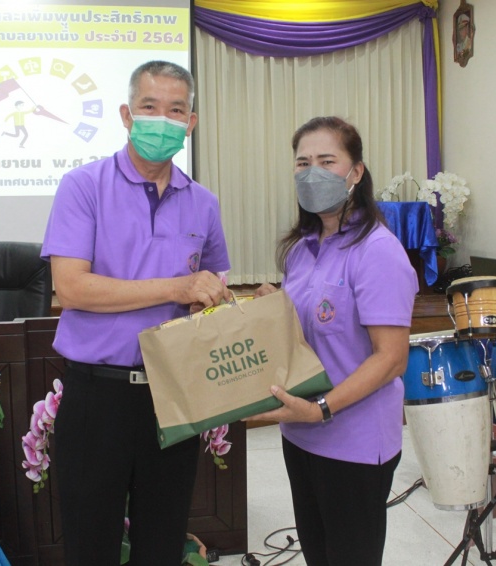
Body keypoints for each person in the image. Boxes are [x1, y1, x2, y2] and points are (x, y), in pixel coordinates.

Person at [40, 60, 232, 565]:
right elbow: (71, 288)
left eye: (176, 110)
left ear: (191, 123)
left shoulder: (204, 203)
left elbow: (213, 290)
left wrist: (223, 300)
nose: (162, 120)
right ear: (127, 115)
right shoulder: (84, 186)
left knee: (162, 544)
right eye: (150, 107)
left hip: (174, 396)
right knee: (91, 546)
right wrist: (177, 286)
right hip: (98, 395)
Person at [253, 116, 418, 565]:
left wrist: (321, 408)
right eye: (302, 163)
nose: (313, 173)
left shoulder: (377, 251)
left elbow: (391, 358)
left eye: (327, 161)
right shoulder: (302, 248)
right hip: (300, 434)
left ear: (356, 172)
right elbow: (306, 334)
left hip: (354, 441)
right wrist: (274, 311)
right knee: (318, 555)